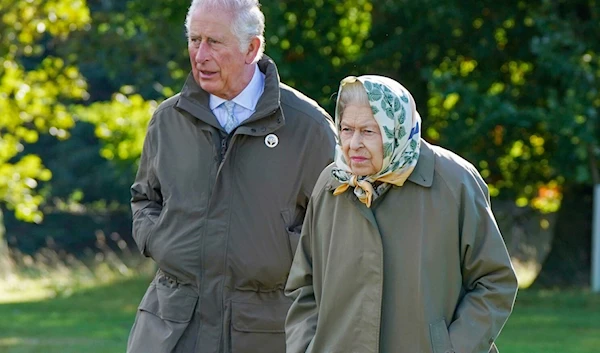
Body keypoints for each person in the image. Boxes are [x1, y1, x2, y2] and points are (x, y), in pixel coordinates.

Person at [126, 0, 336, 352]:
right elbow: (145, 198)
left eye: (214, 42)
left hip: (267, 330)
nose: (200, 54)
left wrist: (285, 251)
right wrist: (159, 240)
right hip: (172, 327)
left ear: (251, 48)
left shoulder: (308, 127)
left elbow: (337, 220)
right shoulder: (168, 119)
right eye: (195, 40)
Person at [285, 75, 518, 353]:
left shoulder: (454, 182)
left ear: (396, 128)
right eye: (346, 129)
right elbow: (304, 286)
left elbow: (494, 282)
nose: (353, 143)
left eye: (369, 131)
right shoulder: (331, 184)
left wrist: (452, 349)